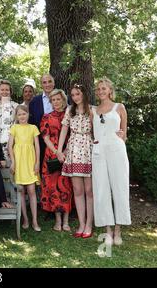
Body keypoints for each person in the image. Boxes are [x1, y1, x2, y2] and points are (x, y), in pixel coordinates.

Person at [92, 78, 131, 245]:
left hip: (116, 150)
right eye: (98, 89)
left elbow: (124, 134)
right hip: (99, 151)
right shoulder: (93, 110)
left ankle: (118, 230)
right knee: (101, 189)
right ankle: (107, 230)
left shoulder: (119, 107)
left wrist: (122, 137)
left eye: (104, 88)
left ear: (110, 90)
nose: (101, 91)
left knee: (119, 187)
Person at [57, 83, 94, 239]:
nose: (75, 97)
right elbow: (64, 129)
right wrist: (59, 150)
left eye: (78, 94)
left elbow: (97, 131)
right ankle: (81, 223)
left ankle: (89, 224)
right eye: (73, 95)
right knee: (77, 191)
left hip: (88, 149)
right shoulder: (69, 110)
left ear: (84, 94)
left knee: (89, 191)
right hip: (73, 150)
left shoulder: (92, 110)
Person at [40, 89, 72, 232]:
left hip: (68, 153)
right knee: (53, 188)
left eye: (58, 99)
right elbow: (45, 138)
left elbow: (72, 135)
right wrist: (56, 152)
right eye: (53, 100)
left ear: (63, 100)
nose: (56, 102)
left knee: (66, 186)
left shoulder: (70, 115)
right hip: (51, 155)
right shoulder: (46, 117)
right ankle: (57, 221)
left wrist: (64, 152)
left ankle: (66, 221)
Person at [8, 105, 41, 231]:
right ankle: (25, 219)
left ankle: (35, 221)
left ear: (28, 114)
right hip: (19, 163)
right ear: (16, 116)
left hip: (30, 162)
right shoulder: (14, 128)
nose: (22, 116)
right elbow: (10, 146)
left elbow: (37, 147)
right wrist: (13, 162)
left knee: (32, 191)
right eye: (19, 114)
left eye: (24, 114)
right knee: (21, 191)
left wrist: (37, 162)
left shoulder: (33, 128)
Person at [29, 74, 55, 166]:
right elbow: (31, 124)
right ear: (41, 85)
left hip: (59, 142)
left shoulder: (63, 98)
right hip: (40, 142)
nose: (47, 84)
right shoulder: (34, 102)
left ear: (54, 83)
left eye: (50, 81)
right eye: (44, 82)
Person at [0, 79, 18, 161]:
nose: (4, 92)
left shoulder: (16, 106)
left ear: (10, 91)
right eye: (2, 90)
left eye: (7, 90)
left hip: (12, 145)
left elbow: (18, 126)